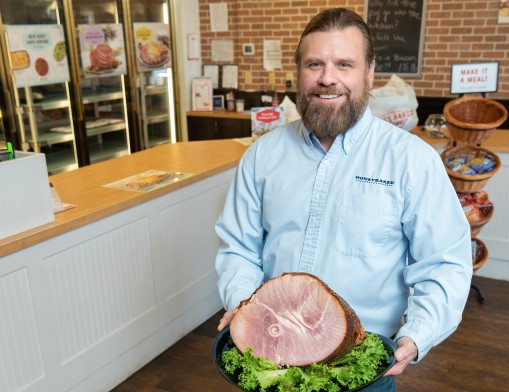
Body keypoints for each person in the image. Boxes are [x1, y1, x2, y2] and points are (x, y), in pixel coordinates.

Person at [214, 7, 472, 391]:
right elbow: (238, 247)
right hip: (271, 355)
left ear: (369, 72)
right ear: (298, 72)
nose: (327, 78)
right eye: (314, 64)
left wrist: (417, 334)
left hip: (360, 364)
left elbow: (444, 262)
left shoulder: (411, 161)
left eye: (344, 64)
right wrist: (243, 306)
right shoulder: (261, 156)